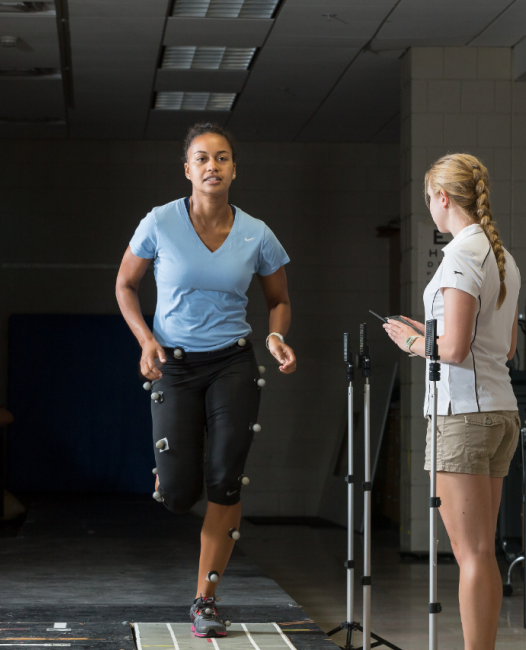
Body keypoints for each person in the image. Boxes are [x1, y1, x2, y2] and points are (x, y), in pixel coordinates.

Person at [115, 123, 296, 638]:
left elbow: (278, 300)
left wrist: (277, 337)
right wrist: (145, 341)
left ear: (234, 168)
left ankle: (205, 600)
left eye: (222, 158)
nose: (212, 166)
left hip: (232, 363)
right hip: (173, 362)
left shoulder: (257, 233)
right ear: (188, 169)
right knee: (177, 495)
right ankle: (170, 474)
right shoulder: (159, 222)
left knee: (225, 479)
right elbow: (125, 285)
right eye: (202, 158)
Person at [382, 153, 521, 650]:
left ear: (442, 198)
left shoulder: (460, 256)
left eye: (428, 202)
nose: (430, 212)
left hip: (463, 415)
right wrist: (432, 333)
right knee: (483, 550)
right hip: (499, 411)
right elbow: (502, 346)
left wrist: (414, 344)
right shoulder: (501, 256)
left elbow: (456, 350)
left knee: (474, 554)